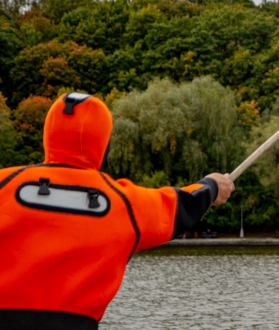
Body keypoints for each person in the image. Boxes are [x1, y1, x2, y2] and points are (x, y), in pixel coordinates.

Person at [0, 92, 234, 329]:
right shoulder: (124, 203)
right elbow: (180, 205)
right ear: (103, 142)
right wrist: (213, 186)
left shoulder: (3, 184)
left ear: (49, 134)